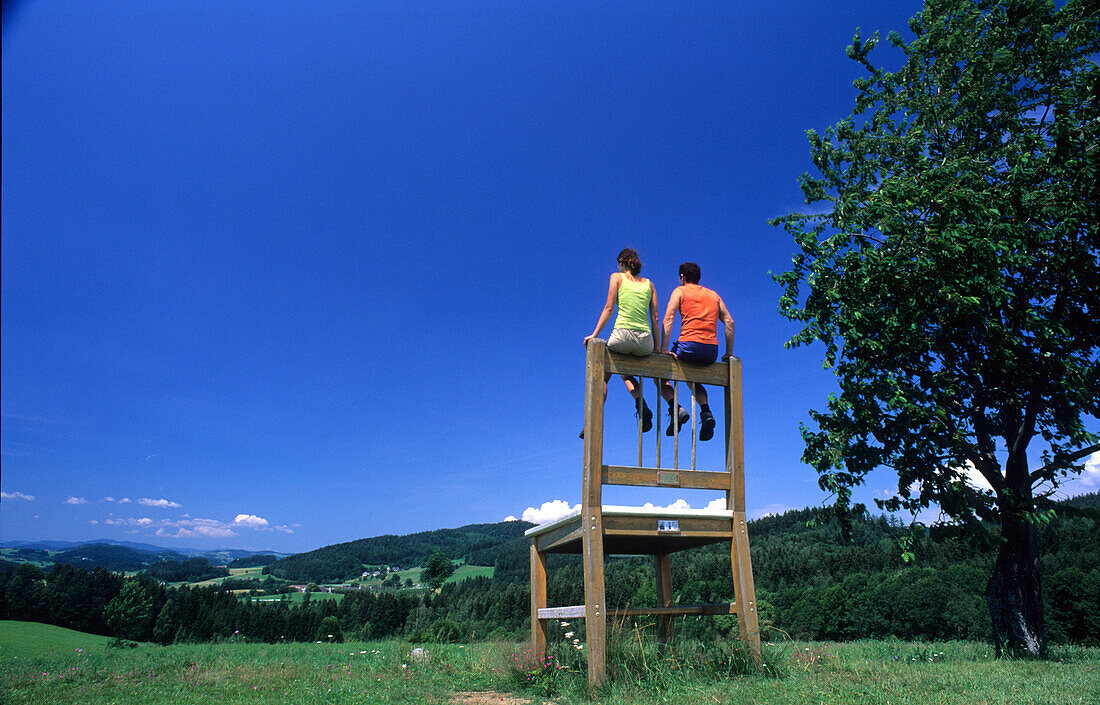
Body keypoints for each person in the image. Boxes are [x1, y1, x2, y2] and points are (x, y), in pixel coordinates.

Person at [582, 248, 659, 433]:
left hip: (622, 335)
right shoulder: (650, 284)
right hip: (645, 342)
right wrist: (657, 347)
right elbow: (655, 318)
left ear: (623, 262)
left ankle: (592, 420)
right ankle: (641, 404)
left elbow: (609, 307)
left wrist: (594, 334)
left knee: (604, 377)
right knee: (626, 374)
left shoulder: (617, 277)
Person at [659, 262, 735, 441]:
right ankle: (706, 412)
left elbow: (669, 317)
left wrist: (663, 349)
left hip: (689, 347)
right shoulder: (713, 295)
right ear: (698, 277)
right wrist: (728, 353)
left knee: (660, 375)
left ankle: (675, 408)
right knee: (693, 380)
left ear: (682, 277)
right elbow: (729, 322)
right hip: (711, 351)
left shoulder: (680, 291)